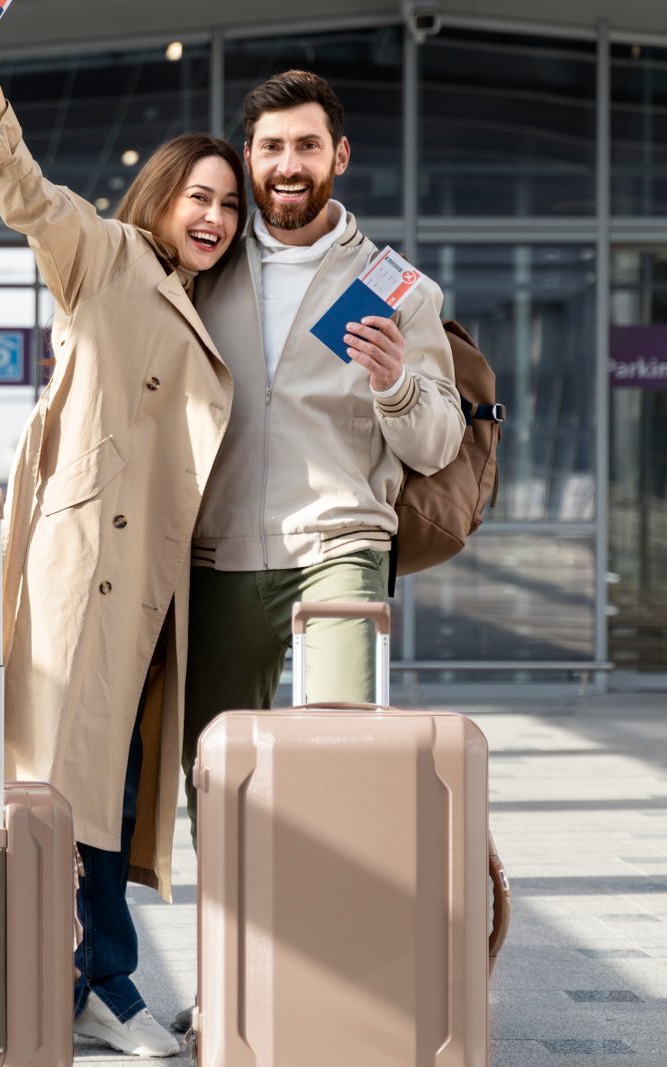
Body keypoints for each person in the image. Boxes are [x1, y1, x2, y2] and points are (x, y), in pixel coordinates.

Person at [0, 17, 244, 1059]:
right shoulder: (105, 255)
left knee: (111, 772)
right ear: (158, 199)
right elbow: (30, 199)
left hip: (148, 583)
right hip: (86, 573)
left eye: (229, 205)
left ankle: (74, 972)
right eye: (200, 195)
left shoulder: (199, 305)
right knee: (79, 772)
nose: (216, 216)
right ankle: (102, 977)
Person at [179, 66, 465, 901]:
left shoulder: (394, 285)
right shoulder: (208, 269)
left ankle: (333, 979)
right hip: (220, 551)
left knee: (343, 762)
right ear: (249, 156)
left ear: (339, 154)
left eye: (307, 144)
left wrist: (395, 383)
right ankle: (236, 980)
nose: (289, 164)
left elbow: (439, 440)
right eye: (271, 147)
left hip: (340, 544)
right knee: (217, 778)